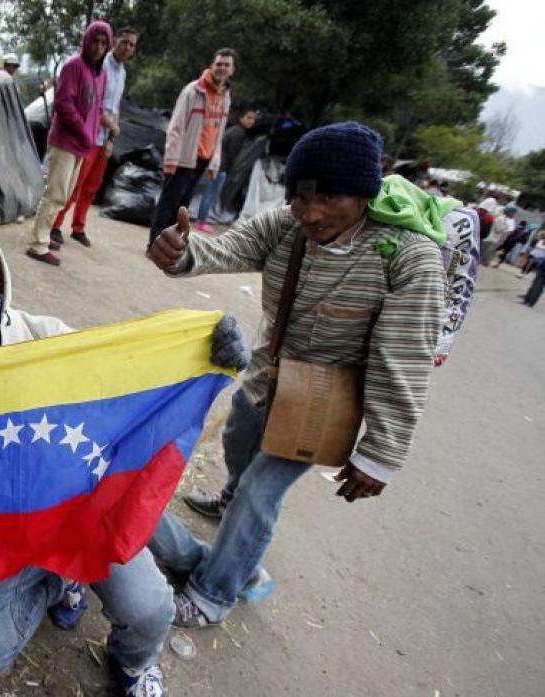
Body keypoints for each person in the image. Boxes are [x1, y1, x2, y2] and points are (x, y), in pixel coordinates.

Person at [0, 226, 249, 696]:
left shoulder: (44, 337)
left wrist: (205, 354)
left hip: (79, 509)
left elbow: (124, 370)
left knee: (149, 612)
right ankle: (57, 582)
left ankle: (134, 665)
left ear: (2, 281)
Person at [145, 122, 444, 629]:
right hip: (267, 377)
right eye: (301, 198)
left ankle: (212, 593)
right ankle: (231, 504)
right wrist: (182, 253)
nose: (311, 213)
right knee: (240, 446)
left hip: (326, 401)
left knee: (262, 492)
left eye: (329, 198)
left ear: (365, 194)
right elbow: (227, 248)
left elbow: (405, 358)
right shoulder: (286, 224)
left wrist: (382, 454)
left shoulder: (408, 257)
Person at [24, 21, 113, 267]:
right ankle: (37, 244)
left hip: (84, 144)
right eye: (95, 41)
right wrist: (85, 133)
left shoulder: (100, 73)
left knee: (64, 195)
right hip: (66, 141)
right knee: (55, 192)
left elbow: (98, 108)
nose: (98, 47)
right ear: (86, 41)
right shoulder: (74, 66)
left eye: (104, 42)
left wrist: (95, 133)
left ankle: (43, 233)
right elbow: (63, 104)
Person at [49, 27, 138, 249]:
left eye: (132, 44)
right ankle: (55, 225)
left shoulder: (123, 72)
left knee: (91, 186)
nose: (127, 47)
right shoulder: (101, 65)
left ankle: (78, 227)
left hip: (104, 138)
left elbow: (114, 106)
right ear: (114, 41)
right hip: (86, 135)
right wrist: (110, 126)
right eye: (124, 42)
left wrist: (111, 139)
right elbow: (93, 105)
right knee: (72, 185)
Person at [148, 49, 235, 244]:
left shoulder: (225, 97)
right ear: (212, 65)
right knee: (169, 204)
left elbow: (219, 132)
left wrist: (214, 162)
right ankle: (154, 244)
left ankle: (169, 246)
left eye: (226, 65)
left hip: (203, 159)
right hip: (183, 158)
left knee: (183, 207)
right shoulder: (193, 91)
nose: (222, 68)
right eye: (219, 64)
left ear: (232, 70)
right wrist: (171, 159)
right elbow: (175, 127)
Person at [194, 109, 257, 232]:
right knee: (210, 195)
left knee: (208, 194)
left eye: (253, 119)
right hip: (220, 167)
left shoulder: (234, 130)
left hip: (217, 165)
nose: (251, 121)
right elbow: (232, 154)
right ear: (241, 118)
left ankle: (200, 220)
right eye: (249, 117)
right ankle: (201, 221)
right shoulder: (238, 133)